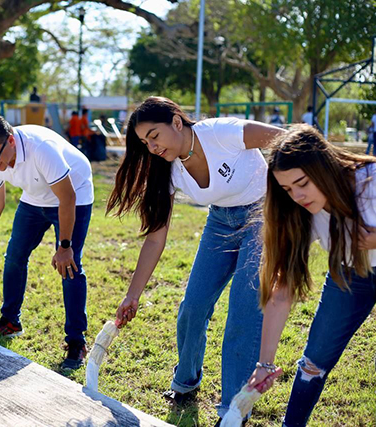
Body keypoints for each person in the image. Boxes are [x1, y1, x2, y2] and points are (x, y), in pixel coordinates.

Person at [107, 96, 285, 422]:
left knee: (243, 310)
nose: (151, 147)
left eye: (154, 136)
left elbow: (285, 139)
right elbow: (156, 236)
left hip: (264, 216)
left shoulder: (221, 133)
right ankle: (185, 381)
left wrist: (289, 189)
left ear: (177, 121)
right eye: (145, 142)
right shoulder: (167, 170)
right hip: (220, 222)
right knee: (193, 306)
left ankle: (233, 410)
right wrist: (132, 295)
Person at [247, 124, 376, 427]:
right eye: (287, 189)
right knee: (313, 363)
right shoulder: (301, 209)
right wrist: (264, 364)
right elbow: (281, 290)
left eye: (302, 183)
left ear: (322, 168)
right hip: (348, 276)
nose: (296, 195)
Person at [0, 116, 94, 370]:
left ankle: (76, 341)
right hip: (35, 197)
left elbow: (67, 197)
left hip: (74, 193)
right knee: (14, 255)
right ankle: (10, 321)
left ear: (11, 141)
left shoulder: (42, 149)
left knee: (69, 265)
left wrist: (65, 246)